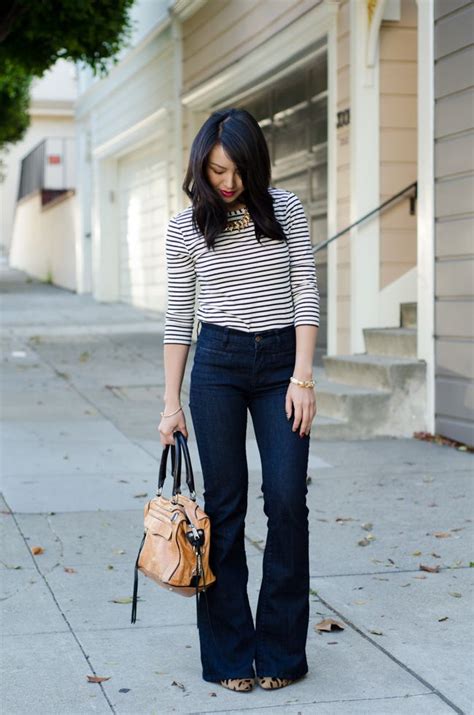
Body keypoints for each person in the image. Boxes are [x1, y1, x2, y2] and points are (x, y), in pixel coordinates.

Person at [158, 107, 320, 693]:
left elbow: (306, 290)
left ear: (256, 163)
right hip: (218, 366)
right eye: (216, 171)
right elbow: (179, 319)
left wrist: (303, 377)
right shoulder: (185, 227)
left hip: (281, 365)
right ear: (201, 168)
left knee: (286, 500)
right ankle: (229, 655)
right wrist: (170, 404)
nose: (227, 183)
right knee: (223, 510)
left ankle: (280, 651)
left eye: (236, 171)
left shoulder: (287, 209)